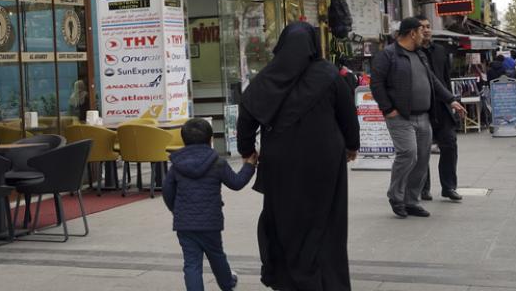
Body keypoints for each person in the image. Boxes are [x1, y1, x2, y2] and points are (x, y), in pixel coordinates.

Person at [236, 21, 359, 290]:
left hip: (282, 163)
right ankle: (328, 281)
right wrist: (352, 145)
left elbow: (246, 116)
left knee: (285, 217)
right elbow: (348, 114)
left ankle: (288, 278)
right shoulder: (328, 74)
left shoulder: (268, 77)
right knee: (326, 219)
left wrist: (247, 151)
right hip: (325, 161)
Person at [371, 17, 465, 219]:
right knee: (408, 154)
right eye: (422, 30)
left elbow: (433, 81)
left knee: (422, 159)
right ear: (412, 33)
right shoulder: (388, 55)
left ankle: (412, 201)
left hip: (424, 116)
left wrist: (451, 100)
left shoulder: (420, 55)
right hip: (400, 116)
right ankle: (396, 196)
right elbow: (376, 84)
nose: (425, 34)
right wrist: (388, 109)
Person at [163, 119, 256, 291]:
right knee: (216, 256)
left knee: (192, 264)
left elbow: (167, 191)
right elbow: (236, 183)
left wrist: (176, 210)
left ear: (183, 140)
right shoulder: (217, 162)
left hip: (185, 223)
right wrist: (250, 166)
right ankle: (227, 284)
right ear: (210, 140)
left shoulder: (176, 165)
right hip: (210, 222)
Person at [415, 16, 463, 202]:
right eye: (422, 27)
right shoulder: (412, 53)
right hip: (422, 107)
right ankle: (423, 188)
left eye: (428, 26)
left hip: (442, 106)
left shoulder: (441, 51)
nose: (426, 30)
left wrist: (451, 101)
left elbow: (445, 79)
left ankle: (449, 186)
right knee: (422, 149)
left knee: (450, 144)